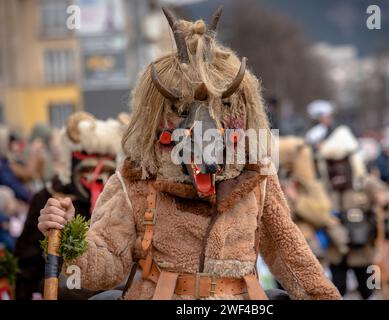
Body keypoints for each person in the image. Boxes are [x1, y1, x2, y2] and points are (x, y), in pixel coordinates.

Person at [36, 7, 340, 300]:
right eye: (181, 109)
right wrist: (69, 236)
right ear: (158, 115)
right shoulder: (137, 177)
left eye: (219, 108)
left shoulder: (255, 175)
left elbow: (292, 259)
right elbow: (101, 270)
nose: (201, 126)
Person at [14, 112, 127, 300]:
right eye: (89, 169)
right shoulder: (49, 198)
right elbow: (26, 264)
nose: (97, 177)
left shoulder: (125, 201)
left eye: (105, 170)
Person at [316, 125, 389, 299]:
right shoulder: (324, 188)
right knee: (337, 290)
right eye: (332, 163)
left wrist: (384, 200)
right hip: (336, 251)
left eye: (342, 161)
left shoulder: (365, 182)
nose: (337, 168)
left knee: (369, 288)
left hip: (365, 251)